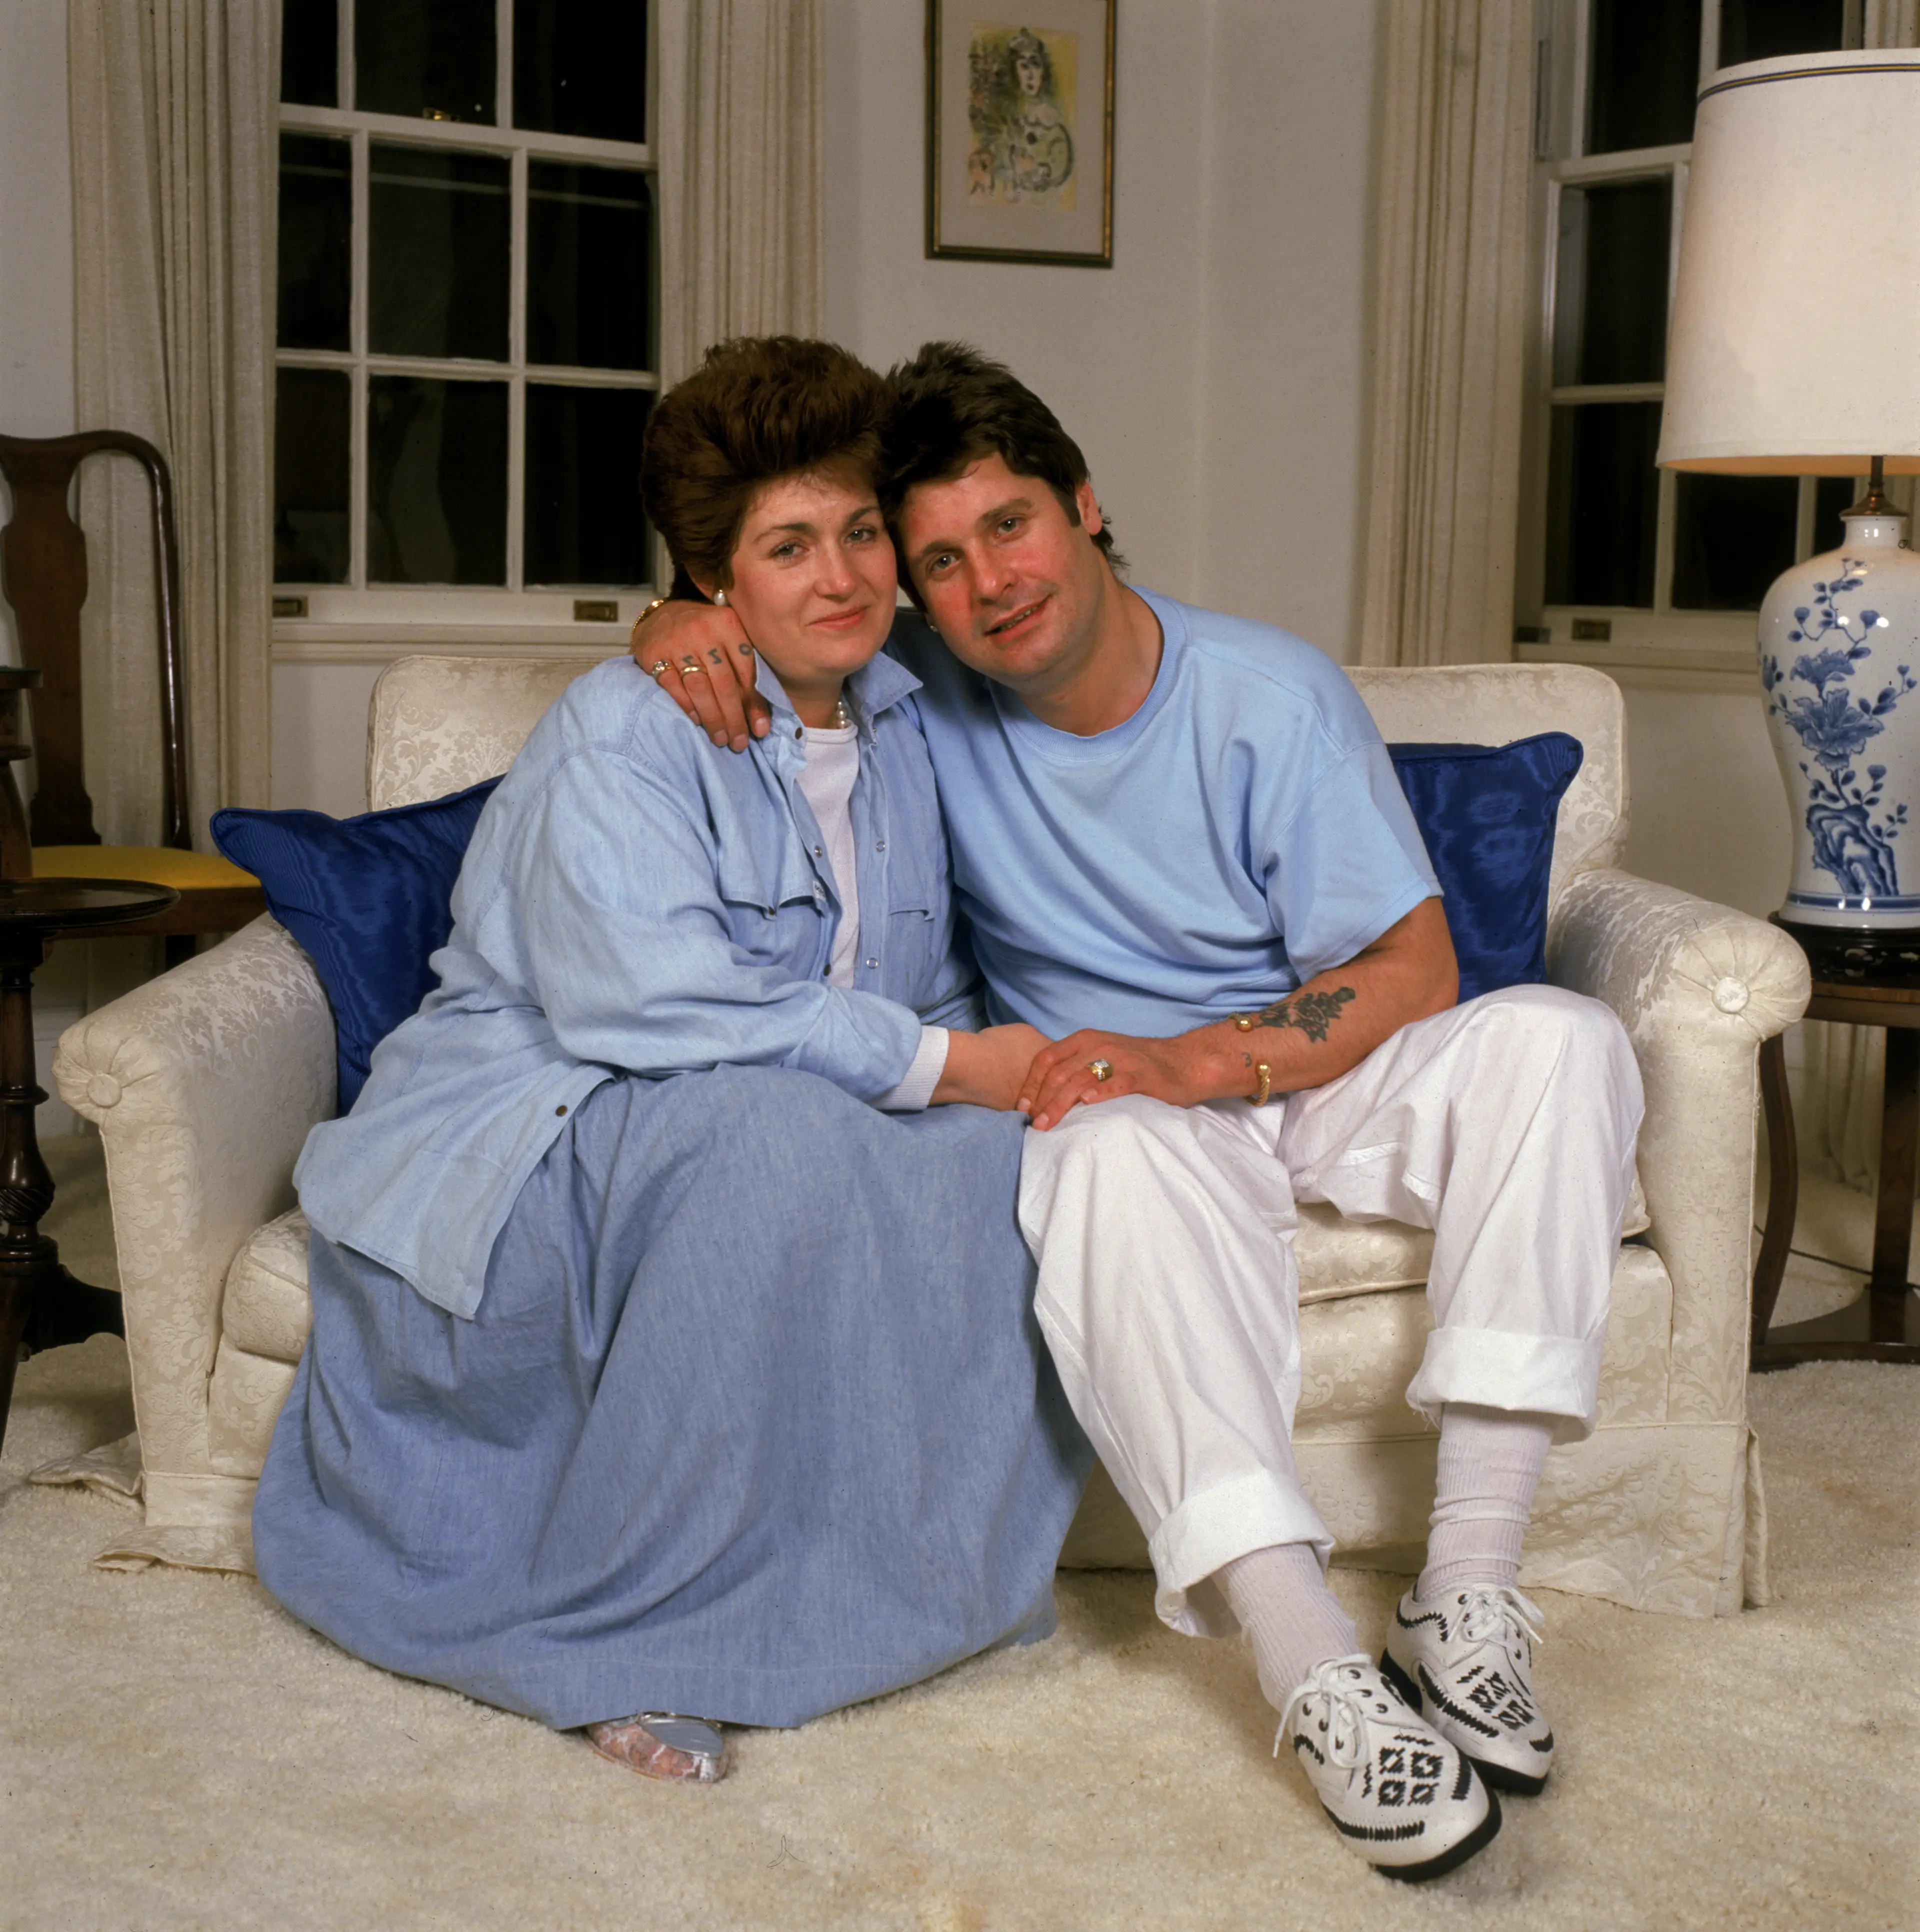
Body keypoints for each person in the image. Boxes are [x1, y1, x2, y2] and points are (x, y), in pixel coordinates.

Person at [636, 342, 1644, 1879]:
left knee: (1566, 1043)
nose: (991, 583)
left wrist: (1199, 1053)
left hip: (1298, 1067)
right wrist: (676, 617)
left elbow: (1415, 963)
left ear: (1088, 507)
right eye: (942, 563)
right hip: (1130, 1114)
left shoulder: (1267, 692)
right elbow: (782, 620)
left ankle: (1471, 1587)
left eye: (1014, 524)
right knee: (1093, 1145)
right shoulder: (916, 707)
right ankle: (1316, 1669)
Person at [254, 337, 1090, 1787]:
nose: (840, 575)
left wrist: (1006, 1071)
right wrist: (945, 1061)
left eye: (859, 531)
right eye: (786, 546)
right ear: (714, 580)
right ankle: (636, 1635)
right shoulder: (621, 732)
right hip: (538, 1130)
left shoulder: (906, 721)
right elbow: (649, 1005)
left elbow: (931, 974)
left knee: (995, 1154)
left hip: (766, 1120)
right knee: (779, 1137)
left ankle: (898, 1585)